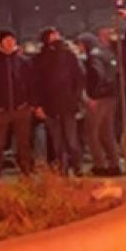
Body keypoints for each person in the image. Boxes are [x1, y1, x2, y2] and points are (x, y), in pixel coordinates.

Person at [0, 29, 35, 180]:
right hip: (0, 111)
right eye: (6, 40)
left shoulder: (23, 61)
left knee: (23, 143)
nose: (10, 43)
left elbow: (32, 83)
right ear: (0, 42)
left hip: (21, 109)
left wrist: (30, 103)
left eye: (12, 40)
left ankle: (26, 172)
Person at [33, 27, 85, 175]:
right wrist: (38, 105)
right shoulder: (40, 59)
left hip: (68, 105)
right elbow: (36, 83)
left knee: (71, 140)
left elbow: (79, 78)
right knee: (57, 142)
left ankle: (77, 167)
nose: (56, 38)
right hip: (50, 106)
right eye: (52, 36)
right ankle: (62, 169)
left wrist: (76, 98)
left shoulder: (69, 56)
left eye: (57, 35)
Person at [78, 32, 122, 176]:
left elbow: (97, 74)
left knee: (92, 132)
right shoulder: (107, 53)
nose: (79, 48)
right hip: (111, 96)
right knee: (107, 131)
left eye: (80, 45)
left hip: (98, 99)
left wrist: (93, 95)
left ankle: (99, 165)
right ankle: (114, 164)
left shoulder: (94, 57)